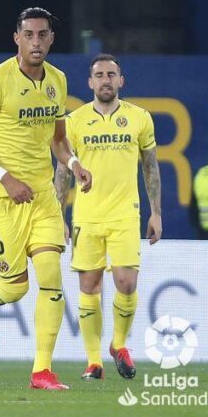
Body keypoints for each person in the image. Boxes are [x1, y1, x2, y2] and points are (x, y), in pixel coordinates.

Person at [0, 7, 92, 391]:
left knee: (51, 279)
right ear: (16, 38)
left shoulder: (57, 81)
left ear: (51, 39)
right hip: (1, 198)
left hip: (43, 196)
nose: (35, 41)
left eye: (42, 34)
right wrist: (5, 178)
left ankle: (42, 371)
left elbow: (58, 138)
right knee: (14, 287)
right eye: (28, 34)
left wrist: (75, 163)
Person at [54, 53, 162, 381]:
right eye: (99, 74)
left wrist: (156, 211)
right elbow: (62, 172)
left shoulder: (140, 118)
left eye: (111, 74)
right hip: (87, 215)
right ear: (90, 82)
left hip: (125, 214)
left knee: (126, 283)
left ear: (120, 80)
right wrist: (60, 215)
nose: (105, 79)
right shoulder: (74, 121)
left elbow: (151, 166)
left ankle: (118, 344)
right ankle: (93, 361)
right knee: (89, 286)